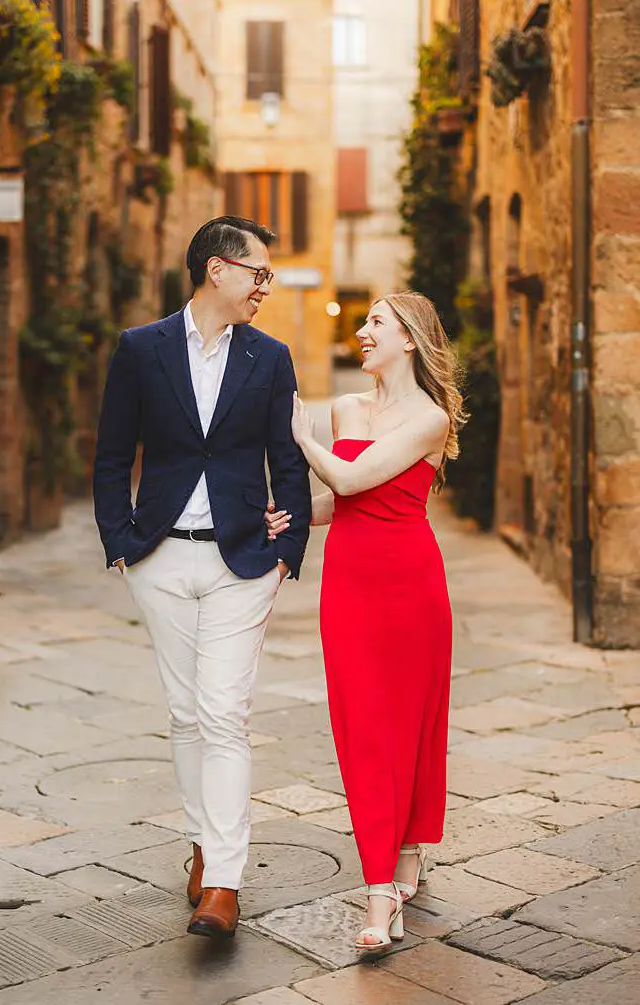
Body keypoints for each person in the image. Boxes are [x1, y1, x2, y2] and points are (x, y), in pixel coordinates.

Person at [92, 216, 312, 939]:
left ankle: (224, 880)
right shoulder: (141, 349)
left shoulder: (271, 358)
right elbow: (110, 452)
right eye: (259, 274)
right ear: (218, 270)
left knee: (224, 711)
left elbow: (287, 458)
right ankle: (201, 840)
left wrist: (289, 546)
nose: (264, 288)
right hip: (158, 556)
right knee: (186, 713)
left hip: (242, 560)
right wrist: (120, 541)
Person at [274, 291, 461, 954]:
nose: (361, 331)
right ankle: (382, 884)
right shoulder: (347, 407)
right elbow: (341, 500)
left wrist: (299, 440)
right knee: (363, 728)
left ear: (409, 338)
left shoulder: (431, 419)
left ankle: (403, 855)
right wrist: (295, 515)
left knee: (411, 724)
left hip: (410, 586)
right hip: (349, 587)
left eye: (375, 322)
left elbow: (356, 479)